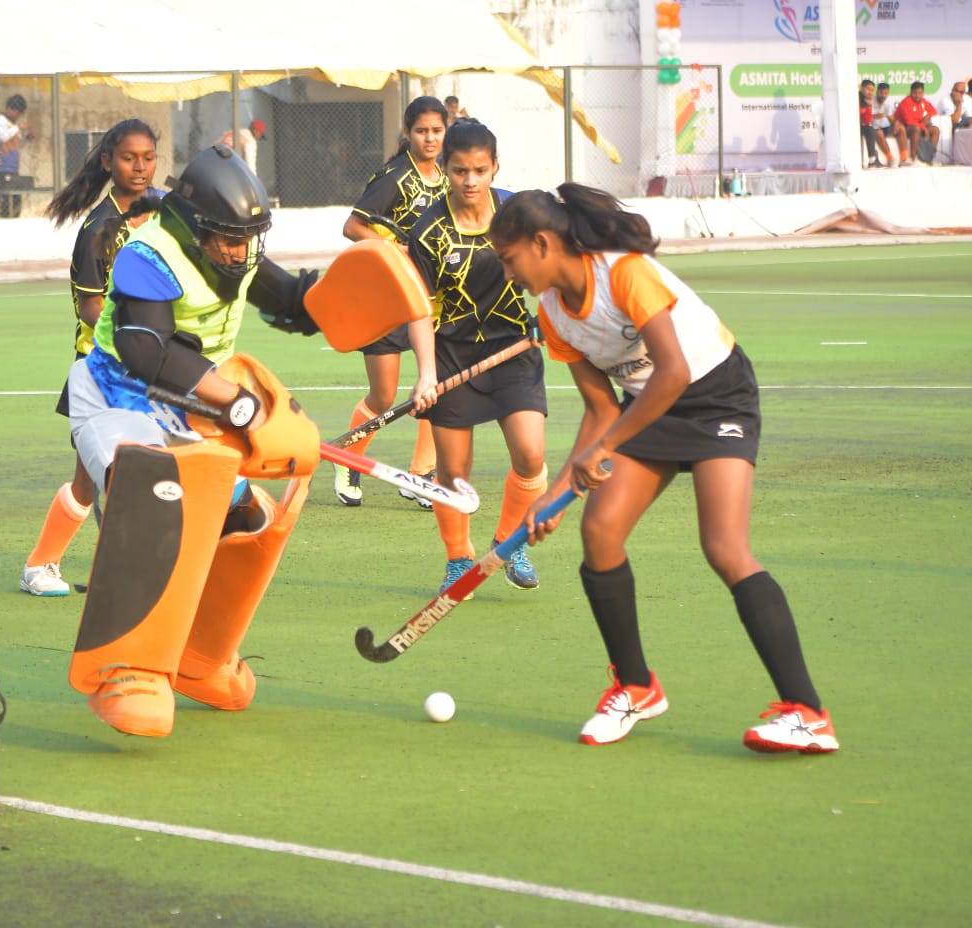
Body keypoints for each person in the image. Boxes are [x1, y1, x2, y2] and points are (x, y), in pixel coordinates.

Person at [489, 183, 839, 754]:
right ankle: (636, 687)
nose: (508, 275)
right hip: (645, 407)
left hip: (716, 394)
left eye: (510, 259)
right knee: (600, 531)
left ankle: (807, 712)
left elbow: (673, 370)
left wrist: (604, 449)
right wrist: (554, 494)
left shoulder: (624, 273)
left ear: (542, 243)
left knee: (724, 547)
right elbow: (601, 409)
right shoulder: (552, 314)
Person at [64, 144, 400, 738]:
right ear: (196, 228)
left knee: (248, 519)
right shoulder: (149, 254)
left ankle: (202, 658)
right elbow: (147, 353)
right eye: (228, 240)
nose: (240, 253)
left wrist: (350, 298)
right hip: (117, 399)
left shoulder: (233, 249)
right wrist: (242, 407)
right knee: (153, 498)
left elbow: (293, 303)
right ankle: (128, 671)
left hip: (188, 408)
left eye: (248, 241)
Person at [20, 119, 162, 596]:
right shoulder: (99, 229)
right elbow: (91, 307)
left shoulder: (165, 216)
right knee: (92, 481)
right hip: (101, 372)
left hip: (154, 366)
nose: (140, 167)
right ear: (108, 162)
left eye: (148, 157)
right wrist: (136, 341)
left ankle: (141, 564)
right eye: (129, 158)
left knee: (151, 467)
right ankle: (40, 566)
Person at [406, 120, 547, 594]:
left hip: (513, 348)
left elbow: (550, 267)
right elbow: (420, 309)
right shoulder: (428, 232)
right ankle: (458, 560)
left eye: (480, 171)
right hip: (451, 354)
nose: (470, 181)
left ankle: (509, 543)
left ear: (495, 168)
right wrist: (426, 374)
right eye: (460, 170)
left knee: (531, 454)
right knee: (453, 471)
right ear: (445, 168)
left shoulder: (517, 216)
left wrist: (549, 315)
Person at [334, 95, 448, 510]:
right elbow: (352, 226)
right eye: (422, 131)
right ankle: (348, 460)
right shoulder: (395, 178)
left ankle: (421, 475)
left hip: (429, 298)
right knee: (382, 397)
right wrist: (394, 250)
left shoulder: (447, 177)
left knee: (436, 386)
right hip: (382, 297)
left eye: (437, 130)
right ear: (407, 133)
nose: (430, 138)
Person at [0, 94, 32, 216]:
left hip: (13, 168)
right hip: (2, 168)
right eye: (17, 113)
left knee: (16, 199)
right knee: (5, 200)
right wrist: (18, 127)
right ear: (9, 109)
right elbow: (2, 137)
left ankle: (15, 219)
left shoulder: (13, 125)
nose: (18, 116)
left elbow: (16, 144)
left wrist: (26, 138)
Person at [894, 81, 940, 162]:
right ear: (911, 92)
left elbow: (934, 111)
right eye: (915, 93)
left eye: (920, 93)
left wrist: (927, 116)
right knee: (916, 129)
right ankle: (913, 157)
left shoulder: (923, 101)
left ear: (923, 93)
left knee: (935, 130)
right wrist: (923, 127)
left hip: (918, 126)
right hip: (904, 128)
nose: (917, 95)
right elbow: (908, 121)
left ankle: (929, 157)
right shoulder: (906, 102)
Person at [858, 79, 893, 168]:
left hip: (868, 126)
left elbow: (867, 120)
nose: (870, 92)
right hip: (855, 126)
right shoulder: (856, 99)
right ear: (861, 88)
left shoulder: (867, 101)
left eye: (872, 90)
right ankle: (874, 159)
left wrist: (869, 106)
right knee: (872, 130)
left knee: (871, 129)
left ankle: (873, 160)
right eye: (868, 89)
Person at [872, 82, 907, 166]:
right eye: (881, 93)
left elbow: (891, 119)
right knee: (879, 132)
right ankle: (890, 158)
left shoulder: (886, 103)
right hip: (871, 129)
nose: (883, 95)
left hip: (882, 127)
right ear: (877, 92)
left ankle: (904, 159)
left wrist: (895, 124)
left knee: (901, 128)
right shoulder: (871, 101)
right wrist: (875, 116)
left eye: (886, 93)